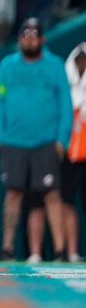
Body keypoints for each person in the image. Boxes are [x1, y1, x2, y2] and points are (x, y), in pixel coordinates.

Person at [0, 18, 73, 263]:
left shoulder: (54, 65)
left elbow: (65, 104)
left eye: (34, 35)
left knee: (51, 194)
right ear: (19, 39)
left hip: (46, 140)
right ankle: (7, 248)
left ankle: (60, 251)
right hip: (14, 140)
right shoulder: (7, 65)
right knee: (13, 194)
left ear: (42, 39)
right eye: (25, 35)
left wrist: (62, 138)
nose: (29, 39)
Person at [63, 43, 86, 262]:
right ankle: (70, 251)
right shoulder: (65, 88)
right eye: (78, 59)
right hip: (69, 153)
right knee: (67, 202)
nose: (81, 64)